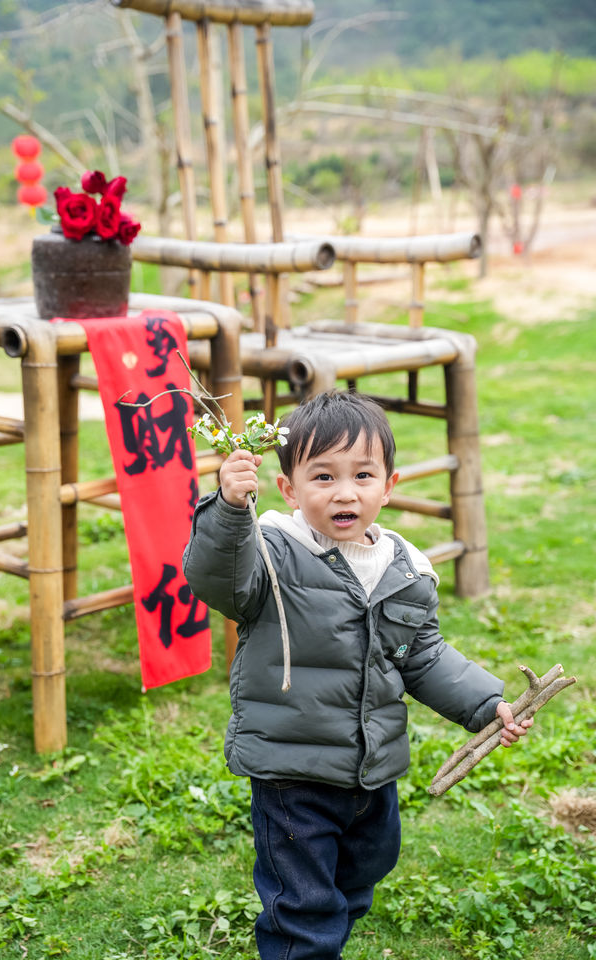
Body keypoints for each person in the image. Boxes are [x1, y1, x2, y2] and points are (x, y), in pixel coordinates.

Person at [183, 391, 532, 960]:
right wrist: (227, 507)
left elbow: (422, 655)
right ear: (290, 489)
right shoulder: (269, 551)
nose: (344, 492)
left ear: (388, 485)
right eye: (322, 476)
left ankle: (322, 935)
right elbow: (216, 579)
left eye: (362, 475)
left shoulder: (404, 567)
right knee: (305, 906)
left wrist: (484, 703)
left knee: (363, 871)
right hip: (292, 772)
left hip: (372, 772)